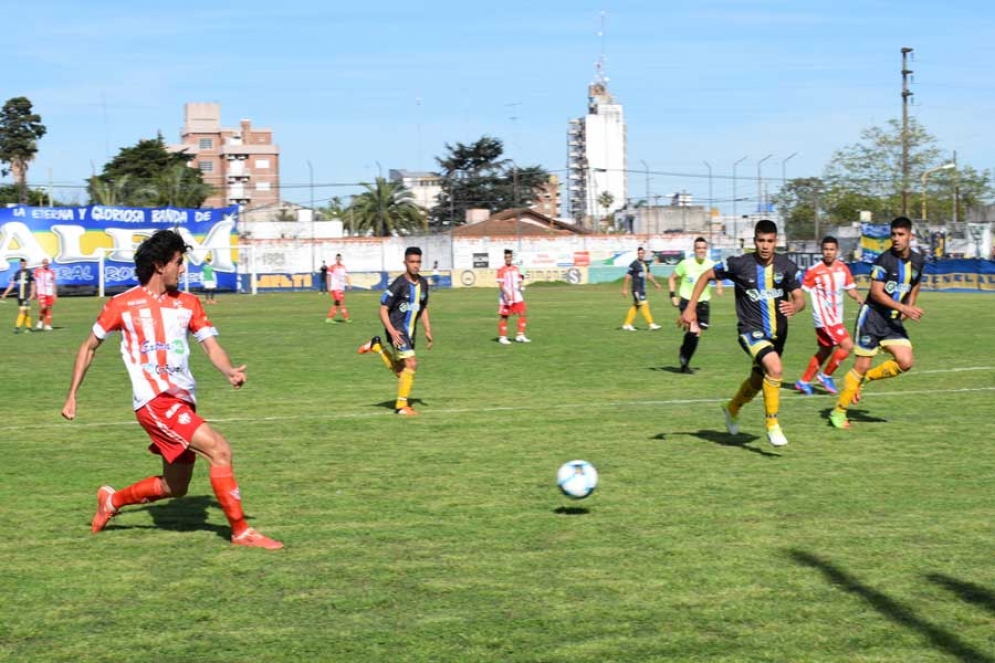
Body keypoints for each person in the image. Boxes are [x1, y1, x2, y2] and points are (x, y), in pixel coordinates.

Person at [60, 230, 282, 549]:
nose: (183, 269)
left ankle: (112, 501)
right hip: (154, 402)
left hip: (181, 402)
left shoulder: (188, 304)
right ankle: (241, 531)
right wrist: (72, 395)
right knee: (220, 450)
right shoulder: (122, 305)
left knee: (175, 487)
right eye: (179, 262)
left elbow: (211, 347)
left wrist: (229, 370)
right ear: (159, 265)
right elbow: (89, 347)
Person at [679, 220, 805, 447]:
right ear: (754, 241)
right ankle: (772, 424)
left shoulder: (786, 266)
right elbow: (706, 276)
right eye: (760, 241)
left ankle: (732, 407)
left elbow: (800, 297)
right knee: (775, 369)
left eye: (770, 241)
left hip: (778, 335)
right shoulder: (739, 264)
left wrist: (795, 306)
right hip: (750, 330)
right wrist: (690, 308)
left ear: (776, 242)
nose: (765, 246)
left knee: (758, 381)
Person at [829, 217, 924, 429]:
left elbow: (915, 285)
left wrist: (909, 306)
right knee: (861, 365)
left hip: (891, 321)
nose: (896, 239)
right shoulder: (883, 260)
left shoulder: (918, 261)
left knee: (905, 361)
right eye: (893, 234)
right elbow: (876, 293)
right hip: (871, 319)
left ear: (911, 236)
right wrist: (904, 308)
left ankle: (864, 380)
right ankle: (838, 412)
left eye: (901, 235)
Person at [357, 246, 434, 415]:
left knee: (402, 371)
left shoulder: (423, 284)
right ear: (405, 262)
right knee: (412, 363)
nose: (415, 265)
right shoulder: (399, 284)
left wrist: (428, 330)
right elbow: (383, 309)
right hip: (397, 331)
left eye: (418, 262)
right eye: (412, 261)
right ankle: (401, 406)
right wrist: (391, 331)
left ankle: (377, 347)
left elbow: (423, 308)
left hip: (410, 332)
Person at [794, 237, 863, 396]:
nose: (828, 252)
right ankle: (825, 376)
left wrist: (858, 297)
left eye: (831, 249)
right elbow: (801, 291)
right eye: (825, 249)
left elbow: (849, 288)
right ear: (822, 250)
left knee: (825, 350)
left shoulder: (843, 268)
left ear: (836, 250)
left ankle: (803, 382)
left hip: (836, 317)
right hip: (824, 317)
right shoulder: (815, 270)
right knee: (847, 346)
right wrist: (793, 305)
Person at [669, 237, 723, 372]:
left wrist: (719, 286)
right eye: (698, 248)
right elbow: (672, 278)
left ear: (706, 250)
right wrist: (672, 295)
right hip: (687, 301)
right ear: (694, 250)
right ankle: (684, 364)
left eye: (703, 248)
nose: (701, 250)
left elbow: (718, 277)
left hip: (703, 303)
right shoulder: (685, 264)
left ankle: (684, 353)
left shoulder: (711, 264)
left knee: (697, 333)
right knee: (694, 329)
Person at [621, 247, 663, 331]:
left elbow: (648, 275)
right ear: (637, 254)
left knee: (636, 306)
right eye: (639, 253)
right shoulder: (634, 264)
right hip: (636, 289)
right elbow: (628, 276)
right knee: (644, 304)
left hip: (642, 289)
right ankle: (651, 324)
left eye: (642, 253)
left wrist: (656, 283)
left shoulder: (645, 264)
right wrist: (625, 289)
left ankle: (626, 324)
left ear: (644, 254)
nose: (641, 254)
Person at [496, 248, 529, 344]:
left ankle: (520, 335)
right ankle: (502, 337)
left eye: (509, 257)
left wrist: (521, 285)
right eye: (506, 257)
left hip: (517, 295)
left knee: (523, 313)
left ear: (511, 258)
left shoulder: (516, 269)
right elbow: (501, 285)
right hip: (506, 297)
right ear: (504, 258)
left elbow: (519, 281)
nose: (508, 259)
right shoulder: (501, 270)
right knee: (504, 317)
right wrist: (507, 294)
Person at [2, 258, 35, 333]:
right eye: (21, 264)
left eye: (24, 263)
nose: (23, 265)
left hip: (27, 296)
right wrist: (5, 293)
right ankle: (29, 328)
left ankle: (17, 327)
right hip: (19, 296)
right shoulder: (17, 273)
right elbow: (12, 284)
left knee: (22, 311)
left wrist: (33, 294)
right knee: (25, 312)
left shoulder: (29, 272)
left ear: (26, 264)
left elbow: (33, 284)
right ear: (20, 264)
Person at [325, 253, 352, 323]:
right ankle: (346, 317)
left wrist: (349, 283)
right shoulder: (332, 267)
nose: (338, 260)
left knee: (338, 302)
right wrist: (328, 286)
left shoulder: (343, 267)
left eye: (340, 258)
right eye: (337, 258)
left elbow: (346, 276)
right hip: (335, 287)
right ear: (335, 259)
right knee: (339, 302)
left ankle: (329, 318)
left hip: (341, 287)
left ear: (341, 259)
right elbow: (328, 277)